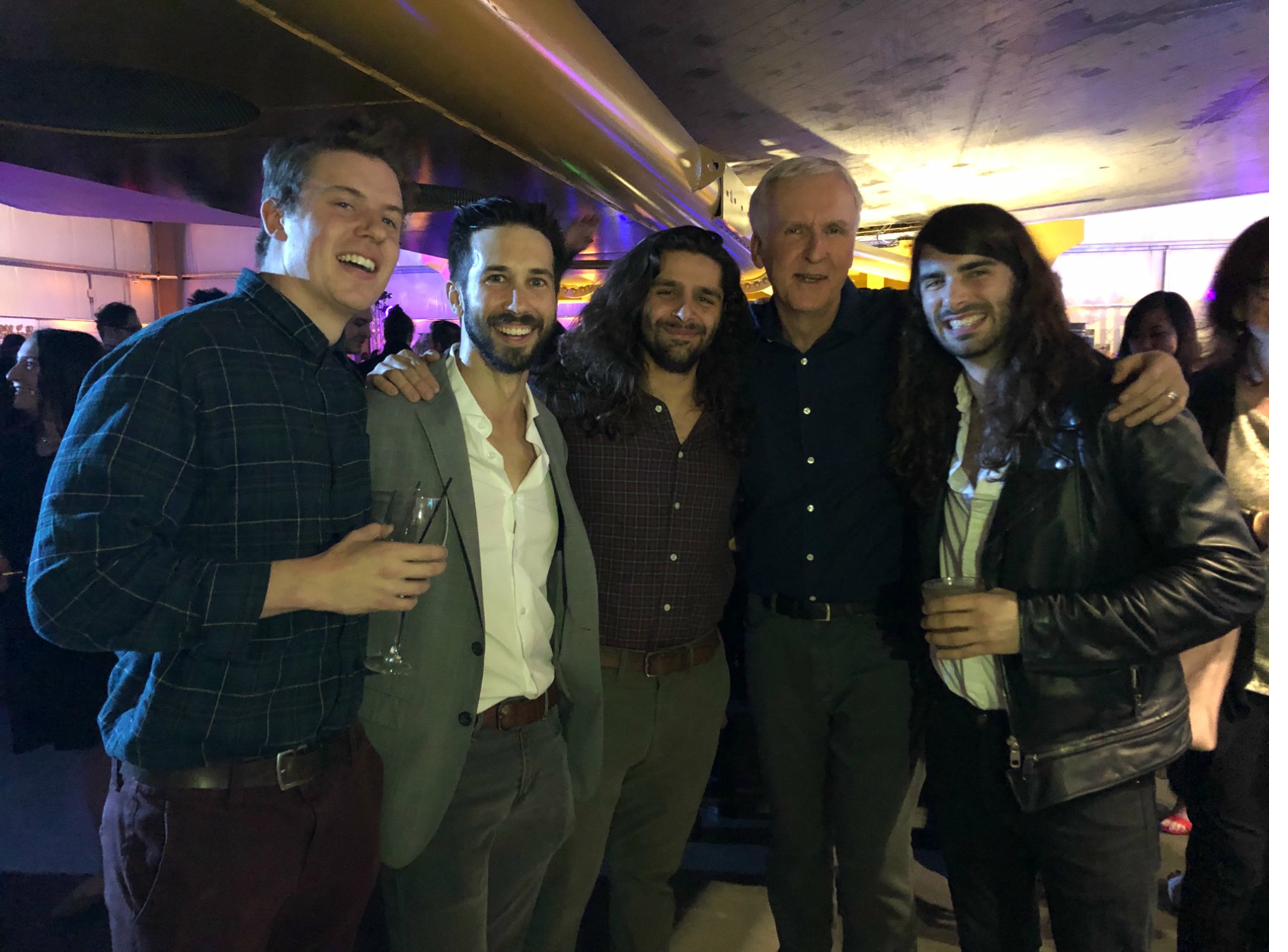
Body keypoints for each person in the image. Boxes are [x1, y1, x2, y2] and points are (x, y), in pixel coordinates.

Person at [367, 158, 1191, 952]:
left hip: (886, 642)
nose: (816, 250)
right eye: (794, 232)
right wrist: (413, 365)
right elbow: (524, 372)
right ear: (758, 249)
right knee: (789, 851)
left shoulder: (906, 334)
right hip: (768, 639)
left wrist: (1140, 368)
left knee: (875, 865)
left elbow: (1017, 350)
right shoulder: (725, 355)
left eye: (835, 230)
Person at [26, 116, 444, 952]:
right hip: (204, 806)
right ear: (279, 216)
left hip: (335, 786)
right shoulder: (175, 360)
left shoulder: (340, 382)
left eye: (391, 219)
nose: (374, 231)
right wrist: (306, 583)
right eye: (345, 204)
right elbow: (71, 590)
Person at [889, 202, 1264, 952]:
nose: (952, 297)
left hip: (1091, 756)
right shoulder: (932, 402)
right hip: (969, 746)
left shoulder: (1115, 401)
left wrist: (1030, 624)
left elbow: (1227, 575)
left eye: (975, 273)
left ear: (1025, 282)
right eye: (932, 280)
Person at [362, 196, 602, 952]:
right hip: (445, 758)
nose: (518, 302)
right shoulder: (393, 410)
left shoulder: (550, 430)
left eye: (537, 281)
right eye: (496, 278)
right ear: (458, 290)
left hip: (543, 745)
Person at [524, 226, 754, 952]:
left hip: (694, 685)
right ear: (635, 300)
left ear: (723, 313)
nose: (685, 313)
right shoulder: (566, 400)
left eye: (705, 299)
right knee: (559, 883)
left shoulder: (737, 414)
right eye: (668, 293)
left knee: (652, 879)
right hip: (593, 683)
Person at [1169, 216, 1270, 952]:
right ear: (1241, 303)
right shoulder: (1204, 401)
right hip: (1236, 675)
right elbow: (1164, 525)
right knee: (1233, 862)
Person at [1, 329, 113, 918]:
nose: (15, 375)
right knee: (73, 746)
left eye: (28, 365)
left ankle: (115, 869)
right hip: (25, 619)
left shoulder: (98, 448)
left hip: (88, 620)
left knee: (99, 744)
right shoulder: (15, 445)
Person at [1118, 289, 1201, 374]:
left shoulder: (1203, 384)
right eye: (1136, 336)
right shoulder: (1117, 381)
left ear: (1182, 335)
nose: (1145, 345)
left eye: (1157, 334)